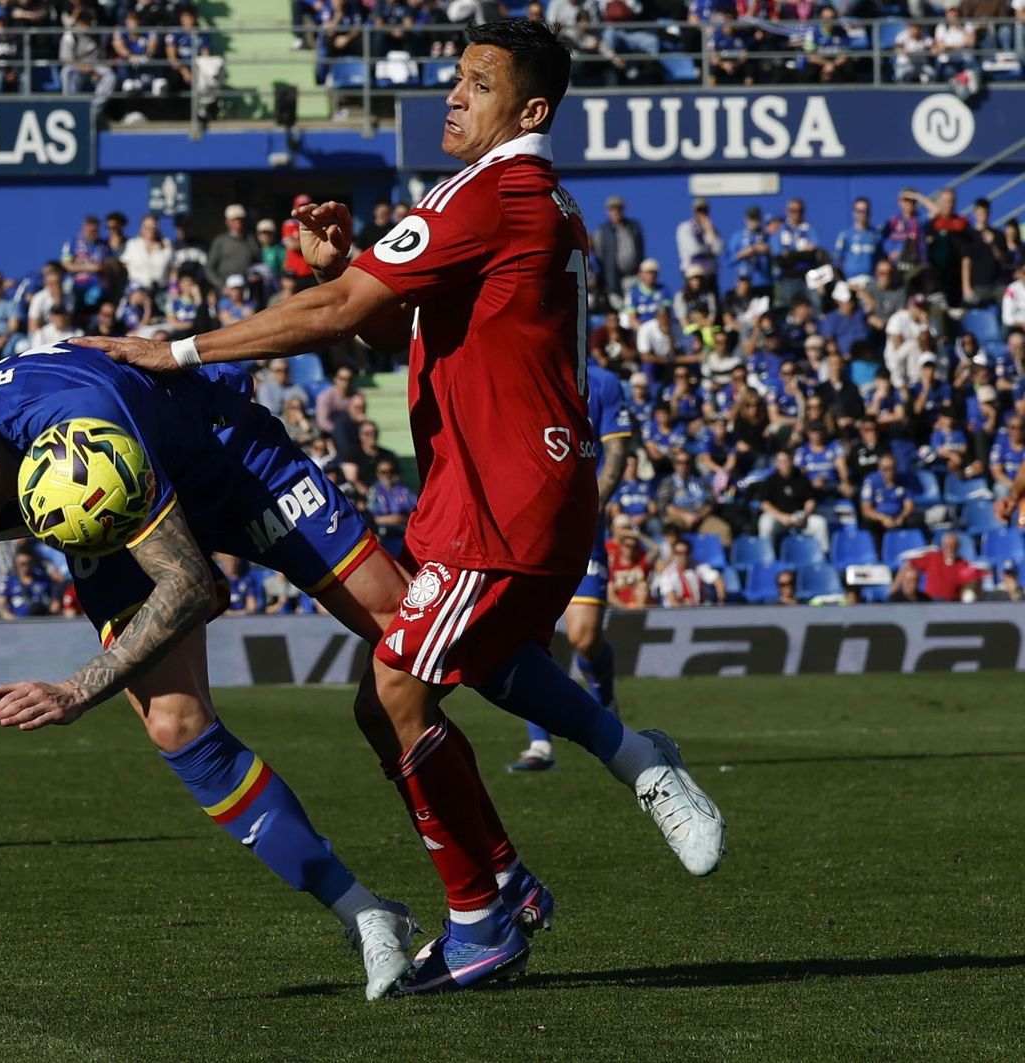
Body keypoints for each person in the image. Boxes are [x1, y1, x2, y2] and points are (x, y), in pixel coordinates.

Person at [82, 19, 725, 993]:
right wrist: (335, 271)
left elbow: (340, 316)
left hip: (509, 501)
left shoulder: (487, 192)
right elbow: (397, 330)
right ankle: (576, 815)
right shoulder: (522, 201)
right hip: (483, 495)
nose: (452, 96)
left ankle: (486, 914)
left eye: (478, 83)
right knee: (445, 675)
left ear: (531, 109)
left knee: (394, 689)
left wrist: (170, 351)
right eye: (454, 77)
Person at [0, 346, 420, 1000]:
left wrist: (78, 689)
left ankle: (500, 881)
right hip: (109, 508)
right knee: (174, 723)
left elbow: (186, 584)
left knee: (408, 629)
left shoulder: (76, 420)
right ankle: (365, 912)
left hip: (219, 453)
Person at [508, 361, 632, 772]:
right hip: (529, 523)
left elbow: (617, 452)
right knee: (524, 636)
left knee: (584, 637)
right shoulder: (522, 372)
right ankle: (539, 745)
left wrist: (589, 506)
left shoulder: (602, 382)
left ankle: (606, 700)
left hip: (582, 525)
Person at [900, 532, 984, 602]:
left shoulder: (963, 565)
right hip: (929, 603)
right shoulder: (932, 558)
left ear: (958, 547)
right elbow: (909, 564)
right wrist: (896, 590)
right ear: (942, 546)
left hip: (950, 605)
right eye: (947, 545)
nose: (950, 549)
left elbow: (975, 579)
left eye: (953, 545)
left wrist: (968, 591)